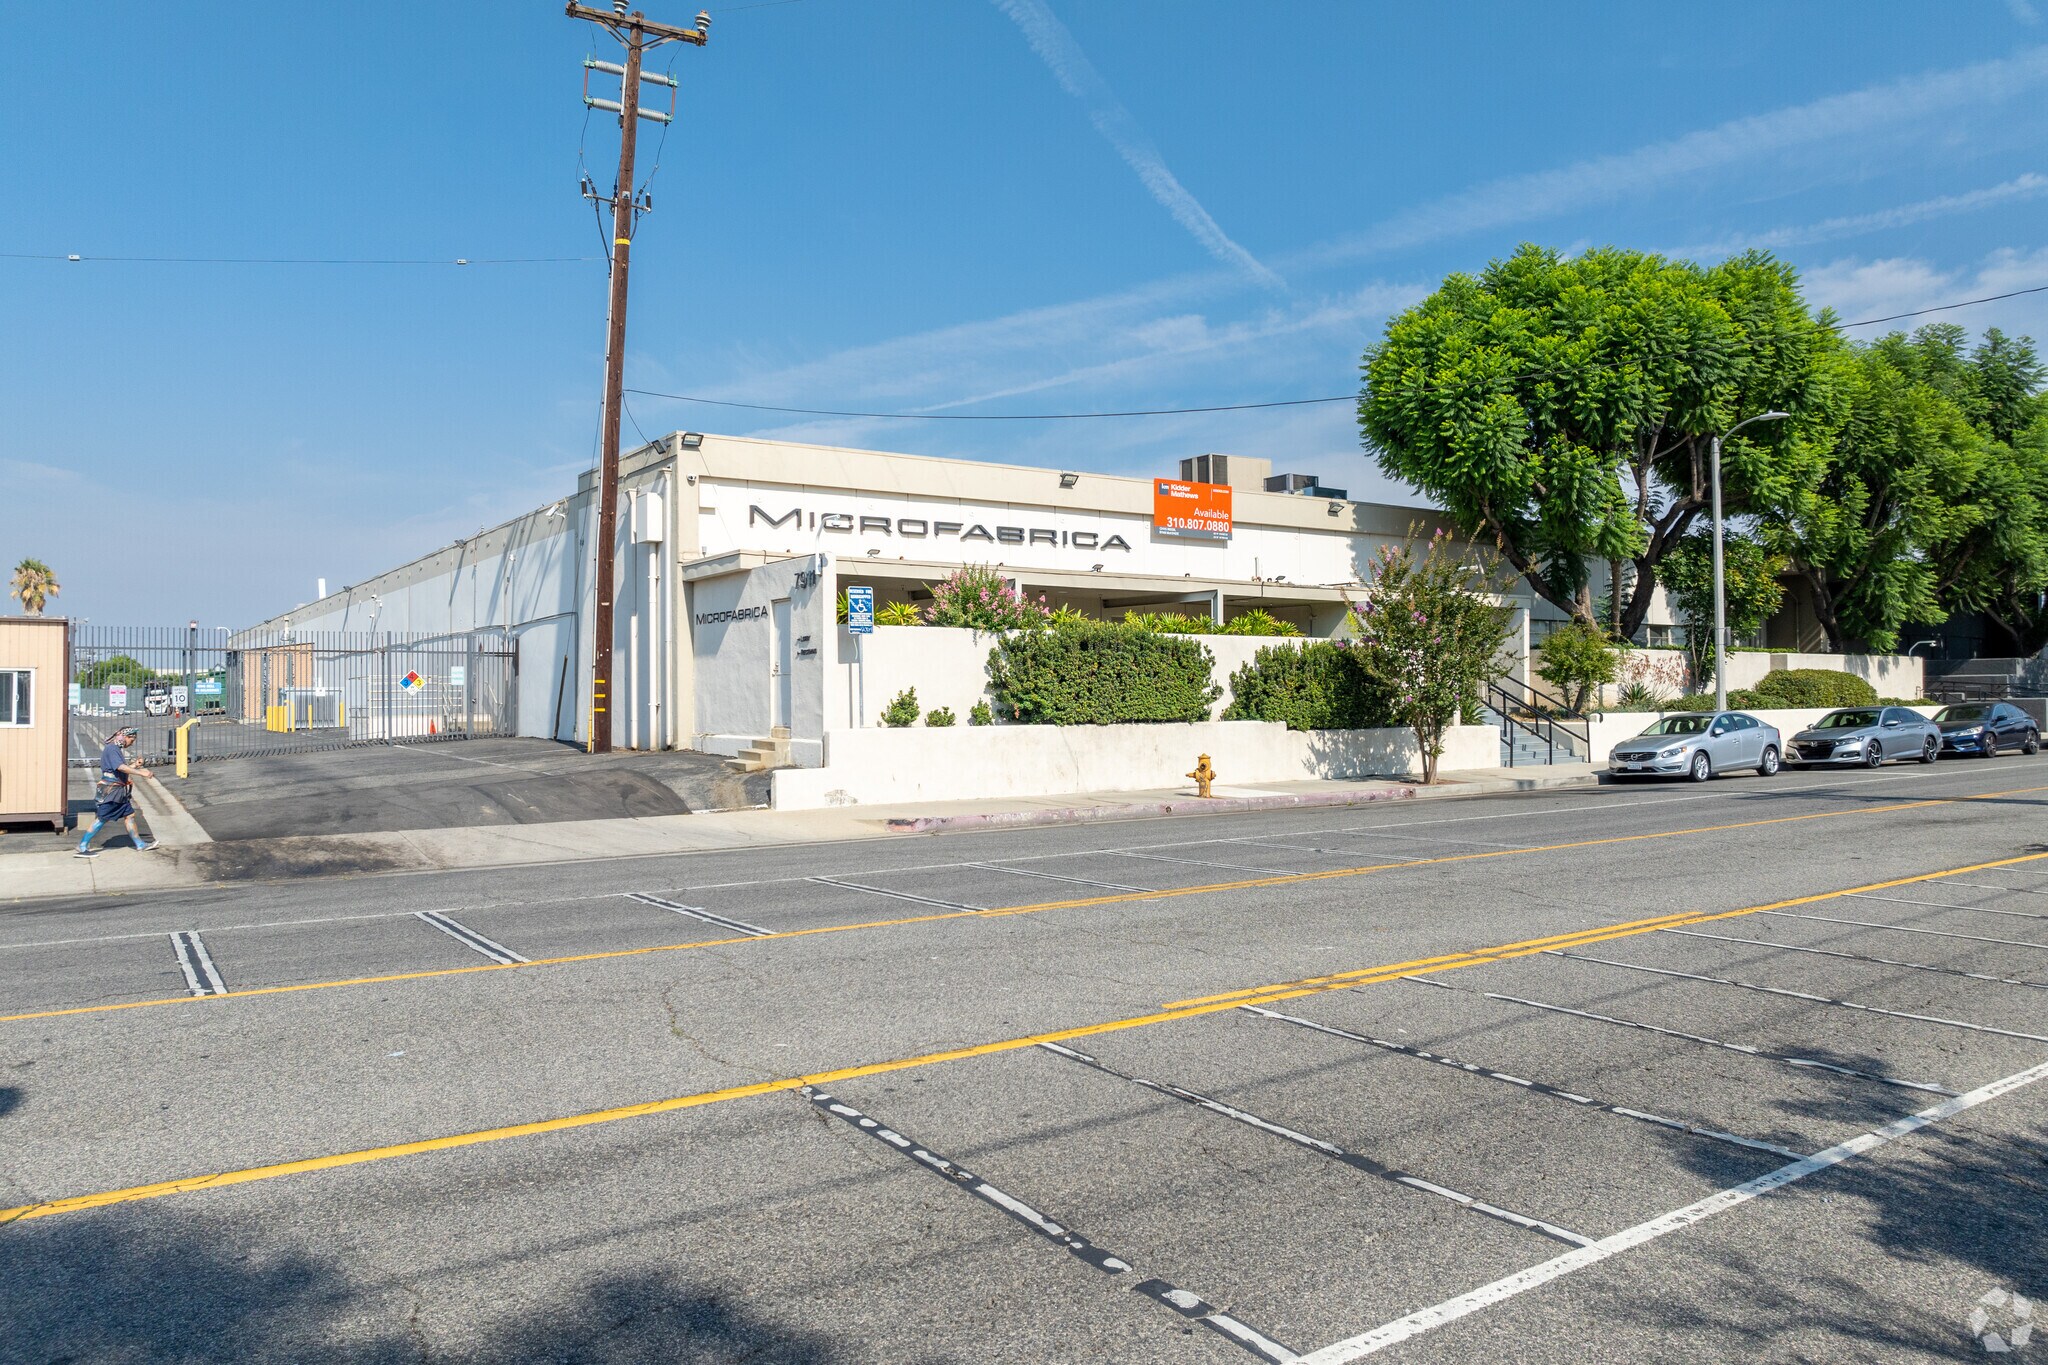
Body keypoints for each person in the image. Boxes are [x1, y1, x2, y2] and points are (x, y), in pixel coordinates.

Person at [76, 725, 156, 857]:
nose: (132, 743)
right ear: (126, 737)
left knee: (129, 816)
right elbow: (120, 768)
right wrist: (142, 773)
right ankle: (82, 846)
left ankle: (140, 844)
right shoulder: (113, 749)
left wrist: (135, 765)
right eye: (132, 740)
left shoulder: (114, 749)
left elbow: (118, 769)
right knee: (102, 819)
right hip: (111, 792)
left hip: (117, 792)